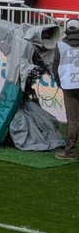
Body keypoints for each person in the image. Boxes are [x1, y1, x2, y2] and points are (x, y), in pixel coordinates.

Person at [53, 18, 79, 161]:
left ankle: (70, 151)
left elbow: (55, 67)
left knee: (73, 120)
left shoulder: (61, 45)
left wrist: (60, 83)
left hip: (69, 86)